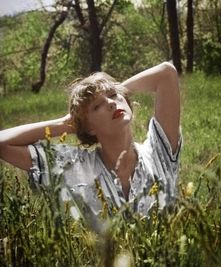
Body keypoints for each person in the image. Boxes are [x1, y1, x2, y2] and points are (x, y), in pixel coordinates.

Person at [0, 62, 181, 229]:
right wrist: (66, 124)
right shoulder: (73, 166)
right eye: (96, 106)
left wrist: (117, 91)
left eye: (113, 96)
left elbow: (166, 72)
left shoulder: (159, 153)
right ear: (88, 127)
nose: (111, 103)